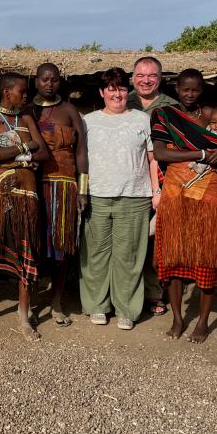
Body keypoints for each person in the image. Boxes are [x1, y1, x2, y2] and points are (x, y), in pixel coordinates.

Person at [151, 69, 217, 343]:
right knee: (174, 254)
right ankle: (178, 319)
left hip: (209, 191)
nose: (190, 94)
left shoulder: (212, 116)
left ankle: (203, 321)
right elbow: (161, 153)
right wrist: (204, 153)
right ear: (176, 89)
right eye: (185, 90)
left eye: (195, 90)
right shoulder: (164, 115)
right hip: (175, 189)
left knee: (206, 255)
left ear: (202, 90)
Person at [78, 69, 159, 331]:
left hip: (134, 196)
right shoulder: (87, 122)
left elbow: (152, 158)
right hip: (97, 196)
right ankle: (98, 306)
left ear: (128, 91)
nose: (117, 94)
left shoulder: (142, 120)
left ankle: (126, 309)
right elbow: (80, 161)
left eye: (121, 88)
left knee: (130, 256)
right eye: (111, 89)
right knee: (96, 254)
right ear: (102, 93)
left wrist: (156, 192)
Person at [0, 73, 49, 341]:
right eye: (22, 91)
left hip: (26, 192)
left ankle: (23, 314)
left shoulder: (26, 118)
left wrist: (16, 154)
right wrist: (26, 147)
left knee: (26, 248)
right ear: (7, 93)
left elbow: (44, 154)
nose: (26, 96)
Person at [31, 63, 88, 326]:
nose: (49, 84)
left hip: (65, 185)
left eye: (54, 79)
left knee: (61, 245)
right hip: (32, 184)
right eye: (44, 79)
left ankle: (56, 301)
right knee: (33, 243)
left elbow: (81, 152)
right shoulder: (26, 110)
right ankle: (29, 299)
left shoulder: (69, 110)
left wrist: (83, 189)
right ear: (36, 82)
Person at [127, 55, 177, 315]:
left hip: (160, 184)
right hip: (128, 184)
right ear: (132, 78)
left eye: (152, 76)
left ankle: (154, 294)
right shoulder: (124, 101)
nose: (146, 80)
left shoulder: (171, 107)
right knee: (129, 241)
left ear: (161, 78)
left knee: (156, 242)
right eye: (141, 75)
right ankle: (126, 295)